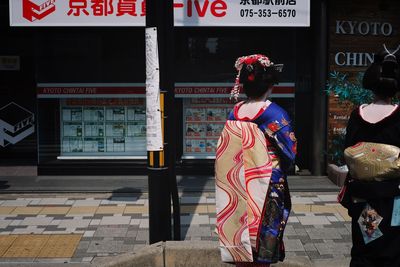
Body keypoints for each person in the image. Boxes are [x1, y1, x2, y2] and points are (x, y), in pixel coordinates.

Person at [215, 54, 297, 266]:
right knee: (263, 233)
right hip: (267, 181)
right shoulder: (275, 114)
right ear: (270, 85)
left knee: (240, 227)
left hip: (239, 180)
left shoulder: (236, 112)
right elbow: (290, 152)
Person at [344, 44, 400, 267]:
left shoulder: (358, 114)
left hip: (364, 196)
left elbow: (348, 150)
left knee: (366, 243)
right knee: (392, 248)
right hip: (394, 196)